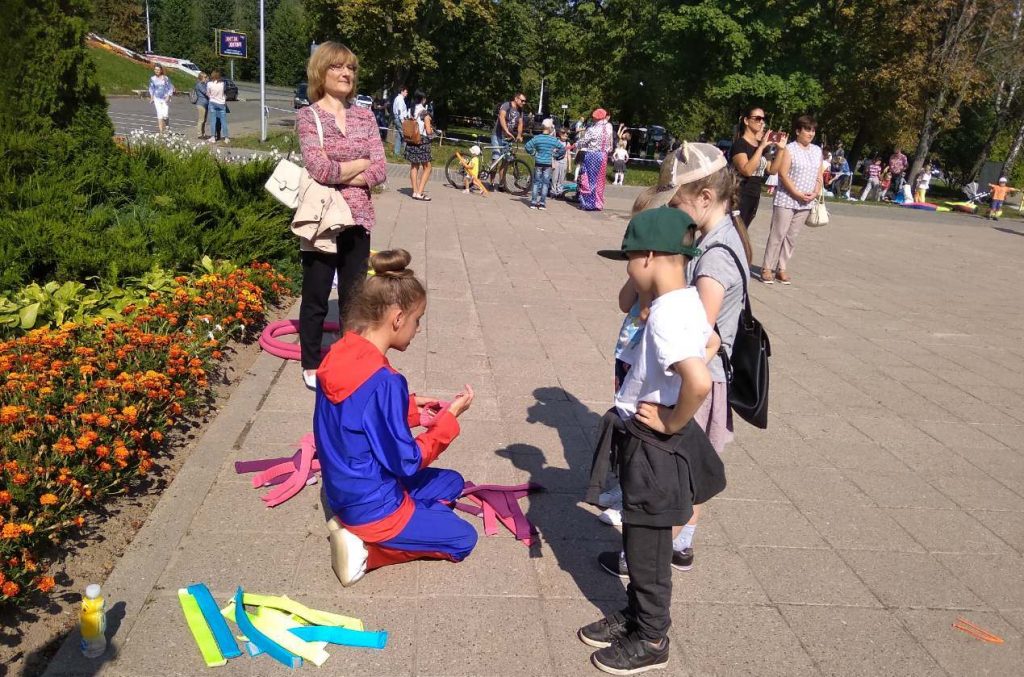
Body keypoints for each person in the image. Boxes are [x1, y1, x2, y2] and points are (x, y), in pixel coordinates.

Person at [597, 142, 752, 577]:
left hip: (692, 384)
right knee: (684, 471)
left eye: (677, 202)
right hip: (697, 378)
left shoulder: (714, 257)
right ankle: (679, 544)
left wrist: (669, 418)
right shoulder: (720, 237)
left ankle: (651, 555)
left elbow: (700, 337)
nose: (673, 212)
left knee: (672, 473)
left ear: (704, 198)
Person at [582, 207, 725, 675]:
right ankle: (636, 615)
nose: (628, 271)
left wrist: (669, 420)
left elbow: (699, 381)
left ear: (647, 257)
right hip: (649, 445)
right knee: (641, 541)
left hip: (653, 448)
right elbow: (712, 343)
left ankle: (651, 637)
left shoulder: (665, 315)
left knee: (648, 551)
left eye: (628, 260)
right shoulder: (686, 300)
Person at [315, 249, 479, 586]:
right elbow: (406, 462)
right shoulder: (386, 381)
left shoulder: (339, 353)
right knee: (463, 538)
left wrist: (412, 407)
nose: (418, 329)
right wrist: (447, 422)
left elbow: (356, 413)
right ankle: (365, 551)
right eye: (418, 319)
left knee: (453, 482)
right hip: (374, 506)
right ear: (398, 318)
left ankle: (392, 523)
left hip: (343, 490)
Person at [296, 41, 387, 390]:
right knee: (316, 295)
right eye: (337, 66)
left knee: (354, 298)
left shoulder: (366, 116)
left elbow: (380, 170)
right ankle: (311, 362)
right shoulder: (309, 117)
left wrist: (344, 170)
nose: (346, 73)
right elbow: (319, 169)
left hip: (358, 217)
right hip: (322, 218)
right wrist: (360, 164)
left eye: (350, 67)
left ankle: (349, 357)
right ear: (321, 71)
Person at [761, 115, 823, 285]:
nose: (811, 134)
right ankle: (767, 267)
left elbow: (819, 174)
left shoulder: (817, 151)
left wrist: (815, 192)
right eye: (807, 130)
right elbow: (783, 174)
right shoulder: (789, 149)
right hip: (787, 198)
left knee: (792, 236)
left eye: (813, 130)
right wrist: (796, 193)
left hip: (806, 201)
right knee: (778, 233)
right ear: (798, 131)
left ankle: (782, 267)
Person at [729, 106, 786, 231]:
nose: (761, 122)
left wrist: (781, 150)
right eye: (757, 118)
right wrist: (760, 148)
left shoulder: (762, 146)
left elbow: (772, 170)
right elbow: (747, 171)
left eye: (763, 119)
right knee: (734, 230)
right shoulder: (740, 144)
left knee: (744, 229)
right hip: (739, 194)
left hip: (754, 194)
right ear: (746, 120)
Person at [524, 118, 565, 210]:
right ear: (550, 128)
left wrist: (534, 153)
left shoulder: (537, 138)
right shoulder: (553, 139)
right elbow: (562, 149)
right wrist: (555, 155)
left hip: (538, 162)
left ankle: (533, 202)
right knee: (545, 183)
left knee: (536, 182)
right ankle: (542, 203)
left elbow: (527, 146)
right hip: (548, 164)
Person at [578, 108, 614, 211]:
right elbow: (610, 142)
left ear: (595, 118)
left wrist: (576, 144)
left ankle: (589, 203)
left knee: (589, 179)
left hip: (592, 155)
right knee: (600, 180)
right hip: (603, 155)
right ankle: (598, 203)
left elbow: (583, 141)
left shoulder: (592, 129)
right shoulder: (609, 126)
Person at [492, 93, 526, 190]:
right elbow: (501, 117)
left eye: (525, 101)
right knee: (496, 159)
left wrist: (519, 135)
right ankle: (491, 182)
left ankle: (501, 184)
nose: (524, 103)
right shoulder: (507, 105)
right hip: (498, 135)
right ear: (516, 99)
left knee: (506, 161)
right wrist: (506, 130)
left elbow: (520, 123)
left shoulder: (520, 110)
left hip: (508, 138)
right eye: (522, 100)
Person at [405, 90, 434, 201]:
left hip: (411, 140)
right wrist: (432, 130)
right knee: (428, 167)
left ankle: (415, 191)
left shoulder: (410, 110)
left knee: (414, 166)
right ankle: (420, 192)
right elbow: (428, 131)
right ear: (423, 99)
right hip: (422, 141)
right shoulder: (424, 113)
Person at [148, 64, 174, 134]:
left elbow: (170, 87)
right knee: (159, 114)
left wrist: (168, 96)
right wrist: (152, 97)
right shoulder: (152, 79)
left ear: (161, 70)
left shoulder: (165, 78)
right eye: (155, 69)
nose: (157, 71)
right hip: (157, 98)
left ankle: (167, 126)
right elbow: (151, 88)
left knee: (165, 115)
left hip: (165, 98)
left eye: (158, 70)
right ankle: (161, 132)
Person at [206, 69, 229, 143]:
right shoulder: (223, 84)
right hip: (221, 103)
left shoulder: (209, 84)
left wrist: (212, 96)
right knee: (224, 121)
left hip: (212, 102)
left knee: (213, 121)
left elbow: (208, 93)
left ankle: (213, 137)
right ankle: (226, 138)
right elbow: (225, 93)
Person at [550, 127, 571, 198]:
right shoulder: (556, 142)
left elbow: (568, 154)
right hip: (556, 162)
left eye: (567, 133)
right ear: (559, 133)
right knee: (554, 178)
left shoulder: (567, 143)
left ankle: (559, 191)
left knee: (561, 178)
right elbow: (552, 153)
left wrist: (569, 166)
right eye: (563, 133)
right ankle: (553, 191)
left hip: (564, 163)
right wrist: (552, 163)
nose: (565, 134)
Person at [391, 86, 409, 157]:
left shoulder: (398, 98)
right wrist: (402, 120)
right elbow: (400, 111)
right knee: (405, 135)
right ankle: (405, 152)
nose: (407, 93)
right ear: (402, 92)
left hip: (397, 118)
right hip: (399, 119)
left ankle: (397, 152)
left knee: (399, 136)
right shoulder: (400, 99)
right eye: (406, 92)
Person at [192, 72, 209, 139]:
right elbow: (206, 92)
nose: (206, 78)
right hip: (201, 104)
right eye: (205, 77)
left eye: (206, 77)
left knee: (204, 120)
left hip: (206, 104)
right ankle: (199, 134)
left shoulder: (205, 84)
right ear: (201, 77)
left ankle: (203, 133)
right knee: (201, 120)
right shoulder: (199, 85)